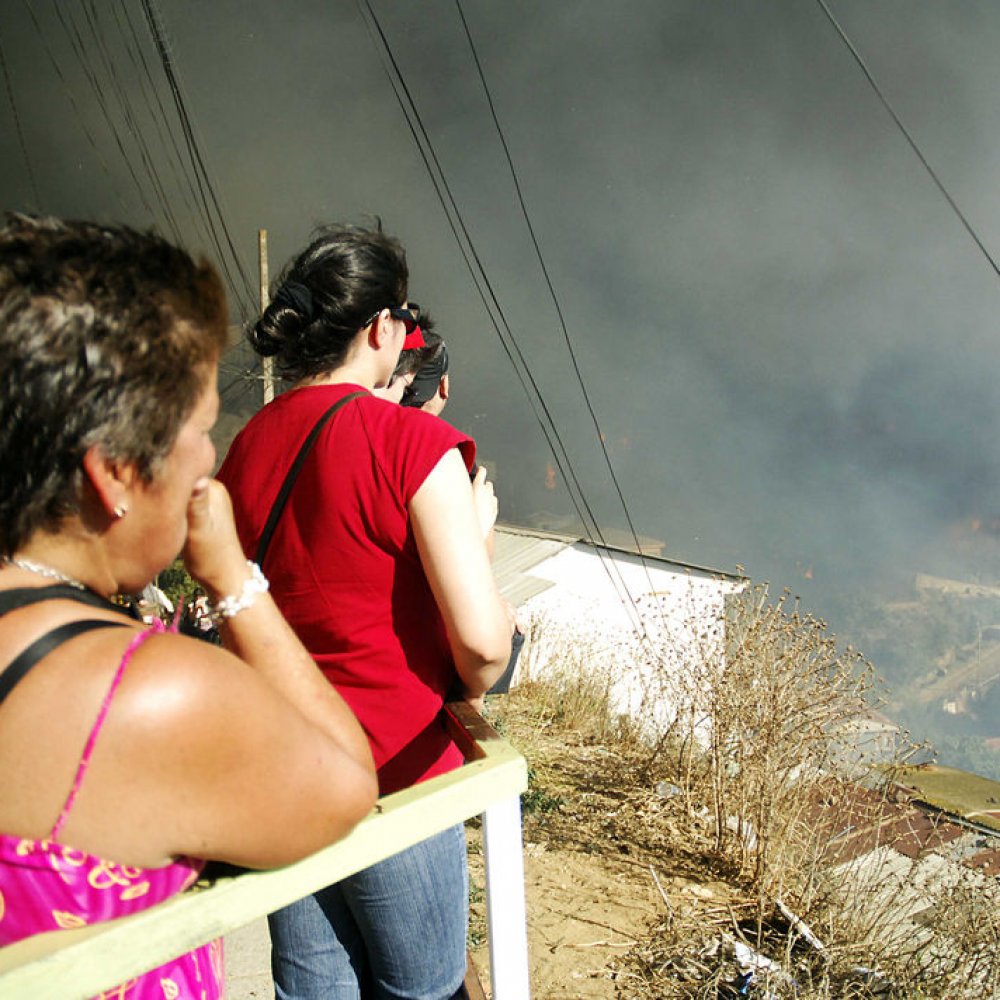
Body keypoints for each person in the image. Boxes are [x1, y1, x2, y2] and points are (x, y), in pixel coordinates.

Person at [0, 214, 378, 999]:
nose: (210, 457)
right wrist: (236, 578)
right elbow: (346, 785)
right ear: (115, 473)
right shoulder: (148, 692)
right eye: (201, 430)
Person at [217, 223, 512, 1000]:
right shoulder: (414, 441)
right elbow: (481, 645)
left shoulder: (245, 447)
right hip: (396, 769)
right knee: (422, 989)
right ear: (383, 328)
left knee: (314, 993)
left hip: (283, 770)